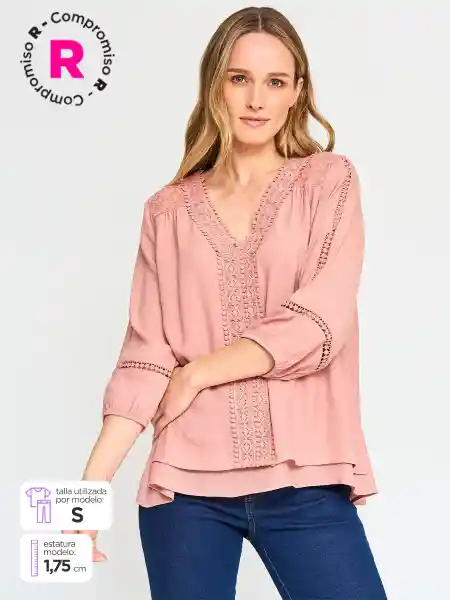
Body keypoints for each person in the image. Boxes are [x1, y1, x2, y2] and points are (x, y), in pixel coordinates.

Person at [65, 6, 388, 600]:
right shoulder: (167, 211)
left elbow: (319, 323)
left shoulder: (327, 182)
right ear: (215, 84)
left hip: (305, 478)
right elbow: (145, 356)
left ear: (297, 92)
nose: (256, 99)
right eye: (240, 78)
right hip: (184, 491)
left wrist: (198, 374)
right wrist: (87, 495)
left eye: (275, 81)